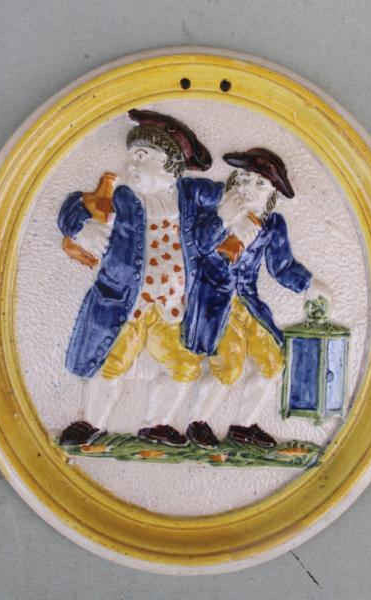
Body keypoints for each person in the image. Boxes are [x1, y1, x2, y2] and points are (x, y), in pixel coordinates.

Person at [57, 109, 225, 447]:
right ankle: (91, 422)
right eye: (132, 155)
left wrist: (241, 203)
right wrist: (82, 228)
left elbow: (223, 193)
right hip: (124, 301)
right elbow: (73, 206)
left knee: (184, 365)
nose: (131, 164)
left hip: (173, 307)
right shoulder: (121, 196)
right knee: (110, 360)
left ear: (170, 163)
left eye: (142, 156)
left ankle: (157, 424)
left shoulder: (190, 195)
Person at [185, 148, 327, 449]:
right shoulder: (216, 214)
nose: (249, 188)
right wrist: (223, 219)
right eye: (244, 179)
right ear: (232, 182)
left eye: (261, 184)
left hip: (248, 303)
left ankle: (244, 425)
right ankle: (197, 422)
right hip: (214, 304)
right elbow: (198, 244)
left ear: (272, 195)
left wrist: (309, 284)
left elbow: (282, 266)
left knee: (273, 361)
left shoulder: (271, 226)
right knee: (230, 364)